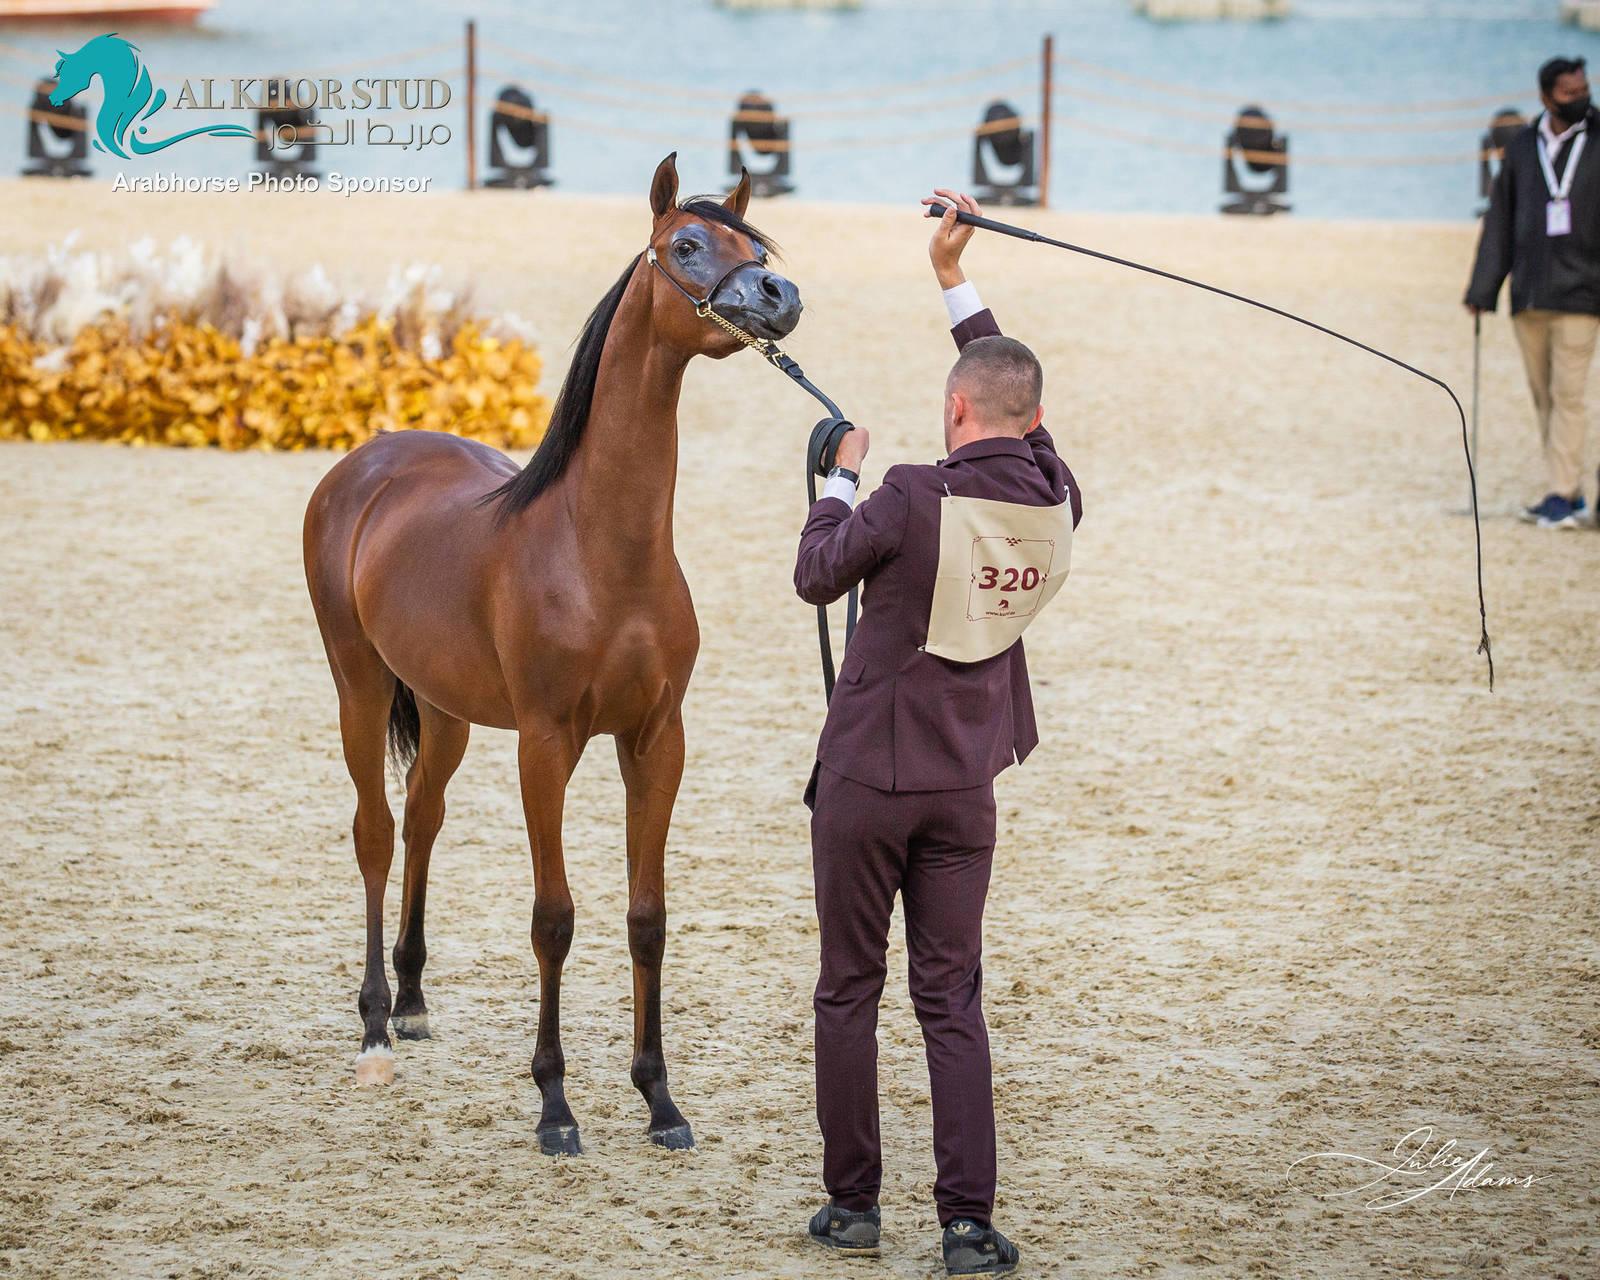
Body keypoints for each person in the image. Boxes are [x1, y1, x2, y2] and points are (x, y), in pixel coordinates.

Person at [793, 189, 1083, 1277]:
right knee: (950, 997)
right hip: (968, 781)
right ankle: (965, 1220)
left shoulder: (911, 492)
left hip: (869, 777)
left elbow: (817, 574)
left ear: (955, 413)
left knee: (848, 987)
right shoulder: (1057, 498)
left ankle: (854, 1203)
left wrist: (837, 476)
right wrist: (953, 281)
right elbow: (1021, 405)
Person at [1466, 55, 1600, 530]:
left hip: (1584, 295)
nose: (1580, 97)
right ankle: (1571, 491)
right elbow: (1499, 220)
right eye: (1569, 92)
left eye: (1583, 88)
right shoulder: (1522, 147)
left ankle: (1561, 495)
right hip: (1530, 294)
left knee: (1569, 395)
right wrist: (1483, 289)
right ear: (1546, 97)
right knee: (1544, 397)